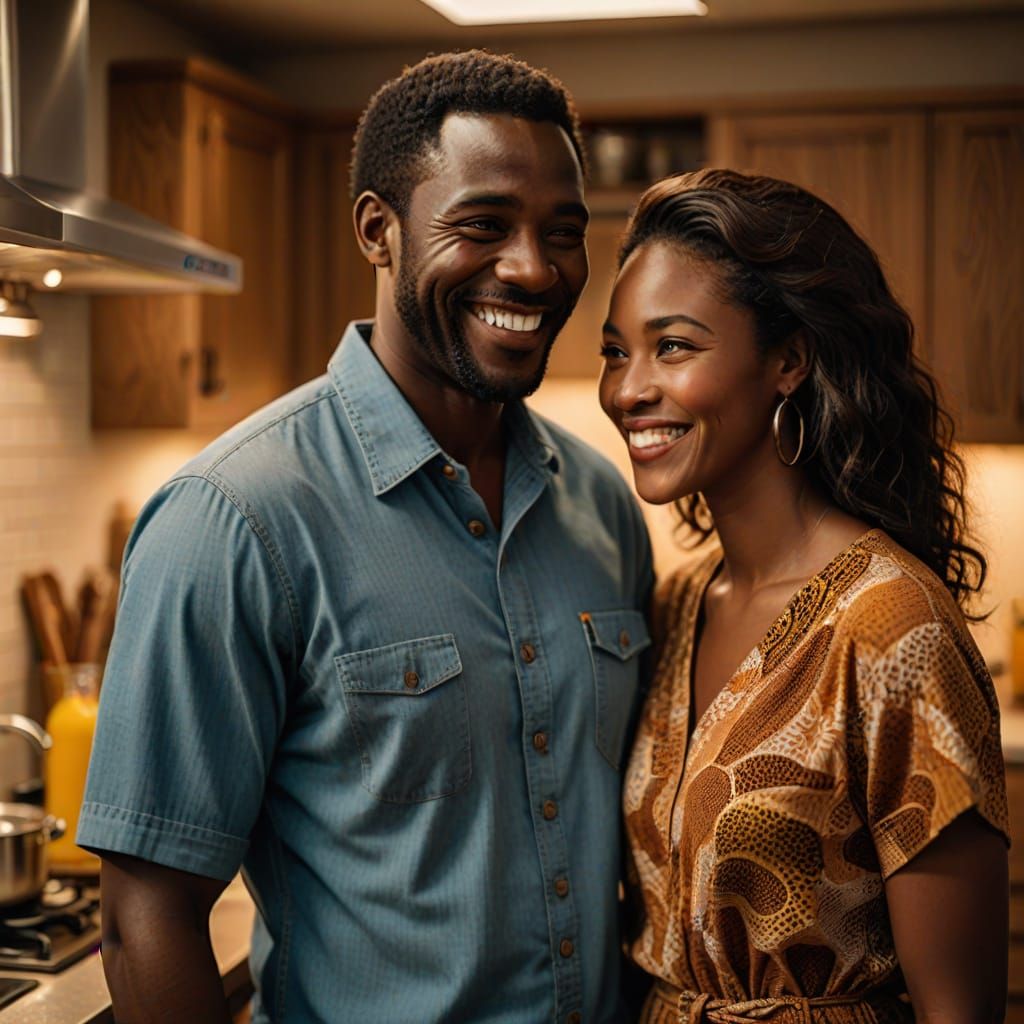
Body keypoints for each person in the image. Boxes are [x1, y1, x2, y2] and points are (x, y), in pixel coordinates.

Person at [79, 51, 653, 1024]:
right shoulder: (233, 519)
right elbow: (146, 918)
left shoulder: (603, 505)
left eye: (562, 232)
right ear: (378, 231)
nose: (534, 268)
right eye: (483, 225)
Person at [598, 168, 1010, 1022]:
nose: (627, 389)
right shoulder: (673, 606)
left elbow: (957, 1010)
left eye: (672, 347)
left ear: (788, 360)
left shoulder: (891, 627)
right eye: (615, 351)